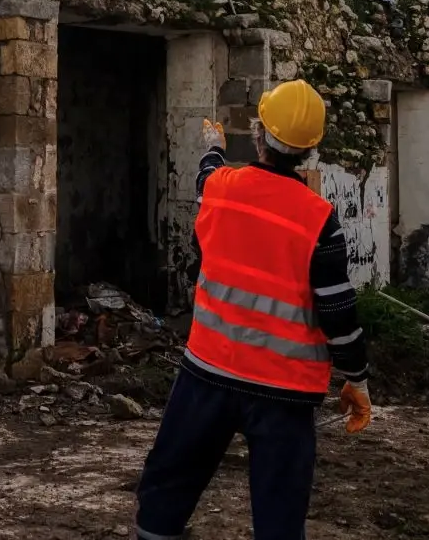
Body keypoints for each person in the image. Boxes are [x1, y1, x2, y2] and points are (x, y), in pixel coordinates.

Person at [133, 80, 372, 540]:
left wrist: (213, 147)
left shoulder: (221, 190)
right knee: (280, 515)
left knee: (166, 492)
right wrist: (356, 379)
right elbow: (338, 312)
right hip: (285, 393)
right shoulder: (319, 218)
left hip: (208, 375)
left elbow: (207, 177)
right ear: (310, 151)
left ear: (260, 135)